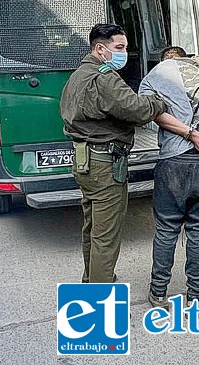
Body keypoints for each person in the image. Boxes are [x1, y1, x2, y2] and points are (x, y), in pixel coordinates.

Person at [60, 23, 168, 284]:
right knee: (106, 237)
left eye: (126, 48)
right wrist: (159, 101)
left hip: (85, 160)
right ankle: (101, 297)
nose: (124, 53)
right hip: (104, 163)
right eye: (119, 48)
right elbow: (136, 109)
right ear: (100, 49)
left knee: (93, 229)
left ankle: (92, 278)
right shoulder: (103, 77)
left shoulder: (79, 74)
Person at [138, 46, 199, 310]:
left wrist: (187, 133)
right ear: (185, 57)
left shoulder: (154, 76)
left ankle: (158, 293)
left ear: (165, 59)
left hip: (174, 160)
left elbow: (151, 112)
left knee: (167, 230)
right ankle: (196, 295)